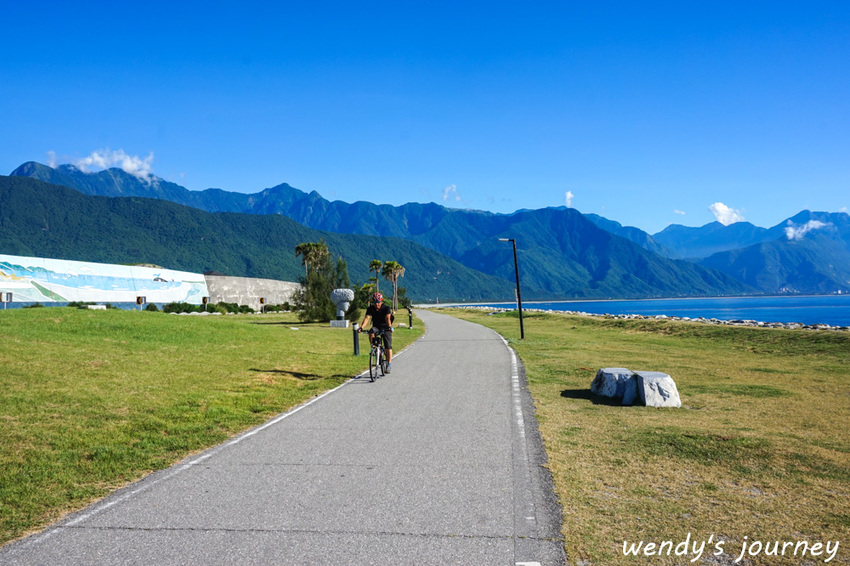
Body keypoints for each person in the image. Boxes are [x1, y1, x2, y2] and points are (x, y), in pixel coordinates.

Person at [358, 292, 394, 373]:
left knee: (388, 346)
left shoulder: (386, 308)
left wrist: (390, 327)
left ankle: (389, 364)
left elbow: (388, 318)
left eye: (378, 302)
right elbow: (367, 318)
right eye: (374, 302)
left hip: (385, 327)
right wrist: (361, 327)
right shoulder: (370, 308)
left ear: (381, 301)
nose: (376, 304)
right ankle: (373, 347)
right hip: (376, 327)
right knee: (371, 332)